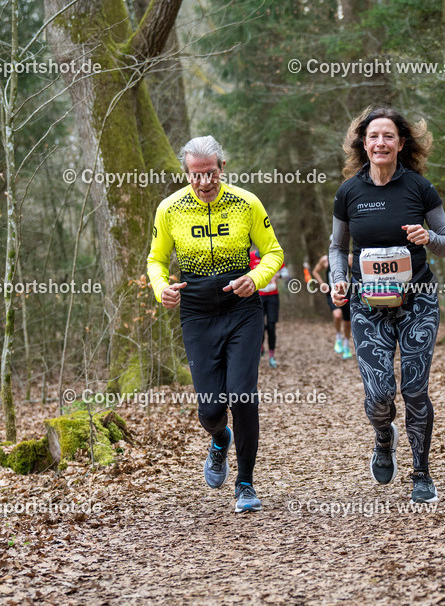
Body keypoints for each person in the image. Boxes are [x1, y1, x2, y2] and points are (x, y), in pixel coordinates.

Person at [147, 136, 284, 513]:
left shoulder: (246, 203)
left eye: (210, 173)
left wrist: (255, 278)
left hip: (242, 309)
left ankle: (245, 484)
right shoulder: (169, 209)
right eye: (196, 175)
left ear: (222, 168)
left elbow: (274, 252)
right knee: (209, 410)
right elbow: (156, 260)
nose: (204, 182)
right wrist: (161, 288)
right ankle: (220, 438)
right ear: (186, 173)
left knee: (242, 395)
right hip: (197, 311)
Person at [329, 107, 445, 504]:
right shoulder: (349, 192)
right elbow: (337, 247)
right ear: (363, 144)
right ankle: (384, 437)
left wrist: (427, 238)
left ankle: (421, 472)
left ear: (401, 144)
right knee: (379, 392)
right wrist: (338, 279)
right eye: (373, 136)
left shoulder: (419, 188)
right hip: (368, 305)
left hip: (418, 301)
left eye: (388, 136)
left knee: (415, 390)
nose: (380, 143)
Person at [250, 247, 289, 368]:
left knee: (271, 326)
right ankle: (260, 347)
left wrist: (278, 275)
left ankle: (271, 356)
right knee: (260, 326)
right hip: (257, 296)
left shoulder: (273, 256)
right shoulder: (251, 257)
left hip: (272, 296)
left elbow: (286, 273)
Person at [312, 252, 353, 359]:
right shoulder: (325, 259)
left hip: (347, 292)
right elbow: (315, 271)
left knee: (347, 322)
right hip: (332, 292)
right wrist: (322, 283)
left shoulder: (349, 258)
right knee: (337, 315)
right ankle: (338, 337)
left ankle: (346, 345)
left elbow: (357, 271)